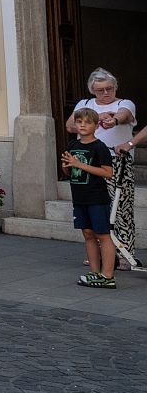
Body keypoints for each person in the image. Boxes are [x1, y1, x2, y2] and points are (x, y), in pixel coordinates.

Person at [69, 68, 138, 271]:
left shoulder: (123, 103)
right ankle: (97, 255)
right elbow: (70, 125)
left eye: (109, 88)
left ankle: (125, 253)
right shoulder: (85, 105)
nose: (105, 93)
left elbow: (124, 115)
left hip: (117, 162)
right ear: (93, 90)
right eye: (100, 90)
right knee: (94, 208)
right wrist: (97, 117)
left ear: (115, 88)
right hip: (87, 161)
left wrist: (113, 119)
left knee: (121, 208)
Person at [65, 108, 118, 288]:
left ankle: (108, 275)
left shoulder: (99, 147)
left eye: (87, 122)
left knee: (102, 235)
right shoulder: (73, 145)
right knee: (88, 234)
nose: (82, 125)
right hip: (79, 197)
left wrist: (79, 164)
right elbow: (69, 170)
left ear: (96, 125)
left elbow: (108, 173)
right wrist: (67, 166)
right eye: (79, 121)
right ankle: (95, 272)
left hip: (97, 197)